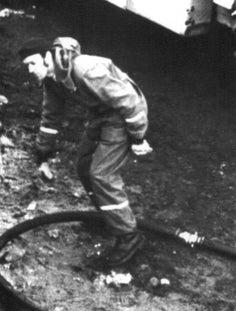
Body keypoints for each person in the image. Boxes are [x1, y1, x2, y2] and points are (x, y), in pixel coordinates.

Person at [18, 37, 152, 269]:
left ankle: (129, 236)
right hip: (101, 114)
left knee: (101, 174)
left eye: (32, 63)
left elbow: (129, 101)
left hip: (122, 116)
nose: (29, 70)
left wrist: (137, 136)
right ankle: (110, 218)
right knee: (84, 166)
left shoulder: (85, 71)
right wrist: (43, 154)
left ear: (47, 57)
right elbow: (51, 116)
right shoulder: (54, 79)